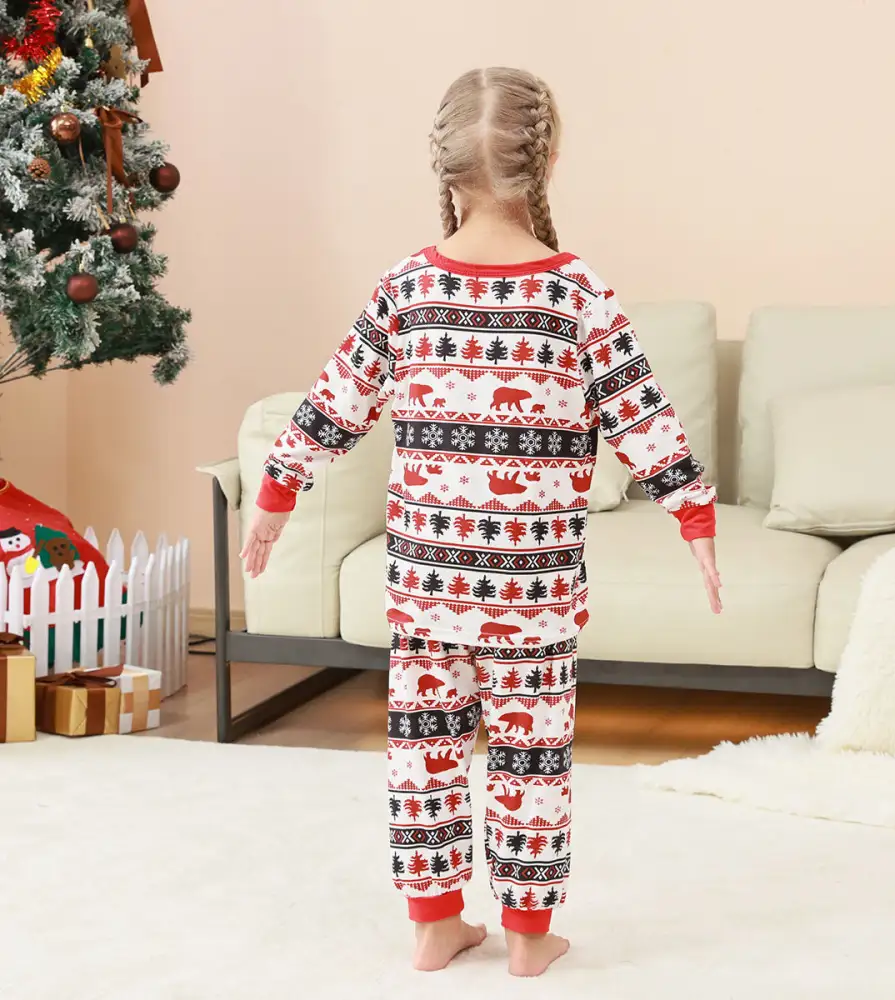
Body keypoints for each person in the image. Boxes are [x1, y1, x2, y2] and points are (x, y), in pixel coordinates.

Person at [241, 67, 722, 978]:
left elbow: (334, 402)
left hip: (428, 582)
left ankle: (434, 925)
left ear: (443, 167)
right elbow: (644, 417)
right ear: (548, 162)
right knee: (531, 756)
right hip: (532, 592)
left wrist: (276, 494)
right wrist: (692, 515)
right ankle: (530, 938)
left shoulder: (406, 287)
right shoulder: (576, 292)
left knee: (423, 751)